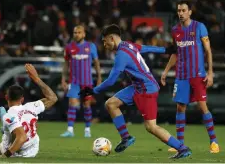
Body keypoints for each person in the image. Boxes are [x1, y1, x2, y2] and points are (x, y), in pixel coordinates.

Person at [80, 24, 192, 159]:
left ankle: (182, 148)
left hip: (146, 89)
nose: (104, 44)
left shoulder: (121, 55)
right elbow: (145, 48)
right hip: (138, 86)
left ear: (111, 38)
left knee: (151, 127)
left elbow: (111, 81)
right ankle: (126, 138)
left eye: (104, 41)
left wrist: (91, 90)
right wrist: (165, 49)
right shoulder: (128, 45)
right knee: (111, 104)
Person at [161, 0, 219, 153]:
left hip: (197, 74)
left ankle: (214, 142)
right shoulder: (175, 30)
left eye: (183, 10)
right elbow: (175, 53)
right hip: (181, 75)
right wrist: (166, 71)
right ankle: (180, 145)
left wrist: (210, 72)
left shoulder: (199, 27)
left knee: (202, 106)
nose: (180, 13)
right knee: (180, 107)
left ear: (190, 12)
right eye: (179, 10)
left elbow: (208, 51)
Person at [0, 64, 58, 157]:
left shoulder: (10, 115)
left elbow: (22, 138)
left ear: (6, 97)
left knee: (6, 135)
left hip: (19, 151)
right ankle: (6, 128)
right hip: (33, 149)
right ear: (22, 99)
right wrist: (37, 79)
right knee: (11, 126)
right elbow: (53, 98)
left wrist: (5, 156)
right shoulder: (32, 106)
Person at [60, 25, 102, 138]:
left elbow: (96, 63)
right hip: (74, 82)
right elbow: (66, 64)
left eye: (79, 32)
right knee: (72, 103)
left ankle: (87, 129)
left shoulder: (91, 46)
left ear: (83, 34)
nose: (76, 34)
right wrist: (63, 79)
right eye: (74, 32)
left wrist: (99, 77)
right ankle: (70, 130)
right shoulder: (69, 47)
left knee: (86, 104)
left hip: (87, 82)